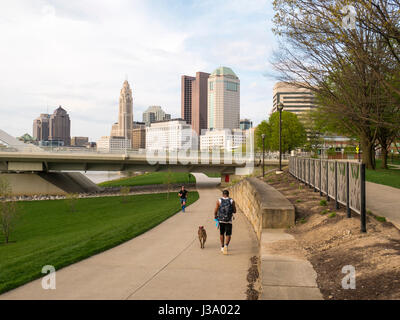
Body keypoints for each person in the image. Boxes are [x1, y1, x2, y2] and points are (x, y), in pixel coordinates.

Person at [214, 190, 236, 255]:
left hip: (221, 220)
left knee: (221, 233)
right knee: (228, 234)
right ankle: (226, 245)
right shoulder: (232, 201)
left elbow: (216, 209)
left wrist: (215, 216)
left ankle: (222, 247)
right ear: (228, 194)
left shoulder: (219, 200)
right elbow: (235, 211)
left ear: (223, 194)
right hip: (228, 220)